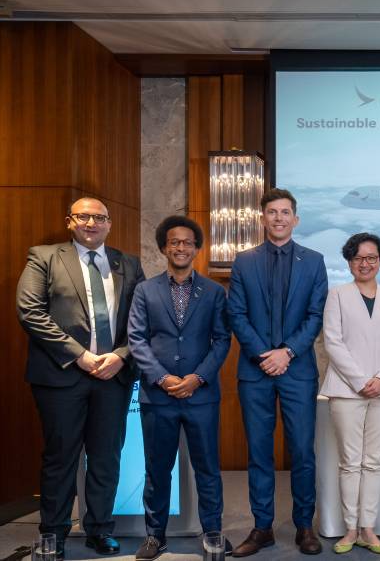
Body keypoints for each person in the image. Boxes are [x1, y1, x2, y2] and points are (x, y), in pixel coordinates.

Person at [16, 197, 145, 561]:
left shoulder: (128, 264)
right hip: (61, 377)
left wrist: (120, 357)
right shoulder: (44, 257)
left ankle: (100, 529)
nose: (92, 223)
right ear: (70, 221)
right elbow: (29, 311)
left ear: (109, 224)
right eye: (84, 216)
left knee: (106, 458)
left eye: (99, 217)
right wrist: (80, 355)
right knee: (61, 457)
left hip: (113, 377)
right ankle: (53, 534)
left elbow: (141, 320)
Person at [227, 188, 328, 557]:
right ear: (263, 218)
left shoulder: (314, 261)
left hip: (297, 370)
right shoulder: (244, 261)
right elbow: (236, 314)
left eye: (286, 212)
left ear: (295, 219)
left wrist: (286, 353)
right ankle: (262, 527)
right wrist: (262, 355)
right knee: (259, 453)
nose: (279, 218)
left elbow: (314, 315)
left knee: (302, 451)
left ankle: (305, 526)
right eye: (272, 212)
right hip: (255, 373)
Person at [128, 215, 232, 560]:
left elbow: (221, 341)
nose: (181, 247)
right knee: (157, 469)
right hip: (158, 396)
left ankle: (213, 532)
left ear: (197, 248)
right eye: (174, 242)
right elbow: (137, 340)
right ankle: (155, 536)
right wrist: (164, 378)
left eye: (188, 242)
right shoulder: (145, 290)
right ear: (164, 247)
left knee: (207, 468)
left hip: (201, 395)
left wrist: (197, 378)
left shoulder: (215, 292)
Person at [320, 233, 380, 555]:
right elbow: (333, 342)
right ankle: (349, 528)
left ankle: (369, 529)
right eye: (358, 258)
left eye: (371, 257)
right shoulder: (337, 295)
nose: (365, 263)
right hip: (345, 390)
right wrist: (360, 381)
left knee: (373, 462)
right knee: (350, 462)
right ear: (349, 262)